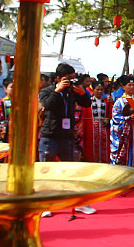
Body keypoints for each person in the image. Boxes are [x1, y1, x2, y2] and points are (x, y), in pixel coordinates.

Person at [37, 62, 95, 216]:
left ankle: (79, 202)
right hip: (49, 136)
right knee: (46, 171)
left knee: (73, 170)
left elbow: (87, 103)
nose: (71, 81)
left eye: (73, 78)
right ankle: (45, 204)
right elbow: (47, 105)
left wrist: (82, 92)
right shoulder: (47, 91)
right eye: (68, 78)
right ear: (58, 78)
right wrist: (58, 90)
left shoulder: (73, 91)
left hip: (67, 136)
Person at [109, 75, 134, 168]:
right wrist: (128, 118)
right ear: (123, 87)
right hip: (123, 133)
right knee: (122, 154)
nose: (132, 87)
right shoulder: (119, 101)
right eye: (129, 85)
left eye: (133, 85)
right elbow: (115, 117)